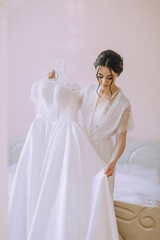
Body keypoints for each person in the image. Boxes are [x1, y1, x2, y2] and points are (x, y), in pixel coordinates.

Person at [8, 59, 120, 240]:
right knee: (34, 180)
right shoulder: (42, 84)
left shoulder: (77, 90)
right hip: (39, 136)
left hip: (65, 136)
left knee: (62, 184)